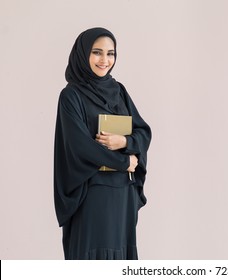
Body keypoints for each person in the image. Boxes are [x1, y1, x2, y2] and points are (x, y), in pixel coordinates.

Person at [54, 27, 152, 260]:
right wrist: (124, 161)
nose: (105, 60)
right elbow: (81, 147)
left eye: (111, 54)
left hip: (122, 195)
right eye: (97, 52)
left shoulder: (119, 91)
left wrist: (124, 141)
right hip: (91, 195)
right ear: (83, 54)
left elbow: (144, 132)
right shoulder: (71, 96)